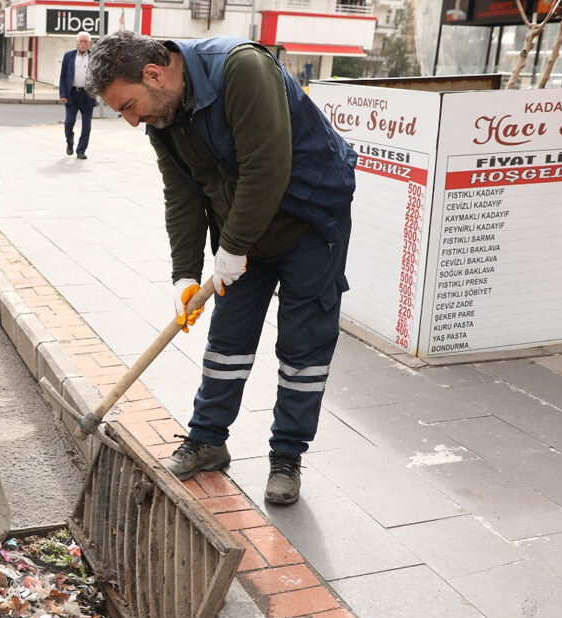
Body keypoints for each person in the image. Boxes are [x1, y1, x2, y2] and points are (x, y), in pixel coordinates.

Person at [86, 31, 356, 505]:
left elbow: (266, 168)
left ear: (154, 74)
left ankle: (287, 454)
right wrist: (185, 273)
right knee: (227, 340)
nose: (131, 120)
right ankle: (207, 440)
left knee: (303, 346)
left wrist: (231, 248)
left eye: (128, 106)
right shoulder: (162, 116)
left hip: (310, 221)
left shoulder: (240, 69)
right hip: (245, 230)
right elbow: (182, 194)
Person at [58, 31, 96, 159]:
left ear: (89, 43)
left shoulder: (94, 57)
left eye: (85, 41)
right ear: (77, 42)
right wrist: (63, 94)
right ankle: (70, 141)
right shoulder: (68, 56)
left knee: (86, 126)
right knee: (69, 123)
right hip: (72, 94)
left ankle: (81, 150)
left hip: (87, 95)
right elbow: (63, 76)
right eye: (81, 41)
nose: (83, 44)